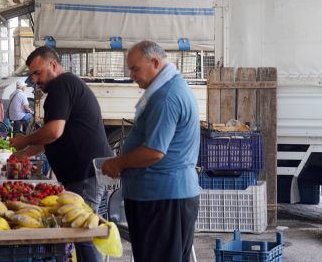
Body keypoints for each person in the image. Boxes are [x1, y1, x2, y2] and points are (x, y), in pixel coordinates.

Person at [10, 46, 112, 262]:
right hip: (84, 172)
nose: (35, 79)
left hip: (85, 173)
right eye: (32, 75)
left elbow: (54, 130)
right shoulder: (66, 86)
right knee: (81, 233)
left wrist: (25, 140)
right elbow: (54, 138)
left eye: (38, 72)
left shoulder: (61, 86)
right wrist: (26, 153)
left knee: (83, 233)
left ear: (53, 65)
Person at [101, 41, 200, 262]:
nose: (131, 75)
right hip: (162, 196)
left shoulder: (166, 97)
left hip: (164, 198)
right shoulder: (165, 89)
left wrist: (119, 163)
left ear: (155, 62)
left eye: (135, 68)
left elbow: (154, 151)